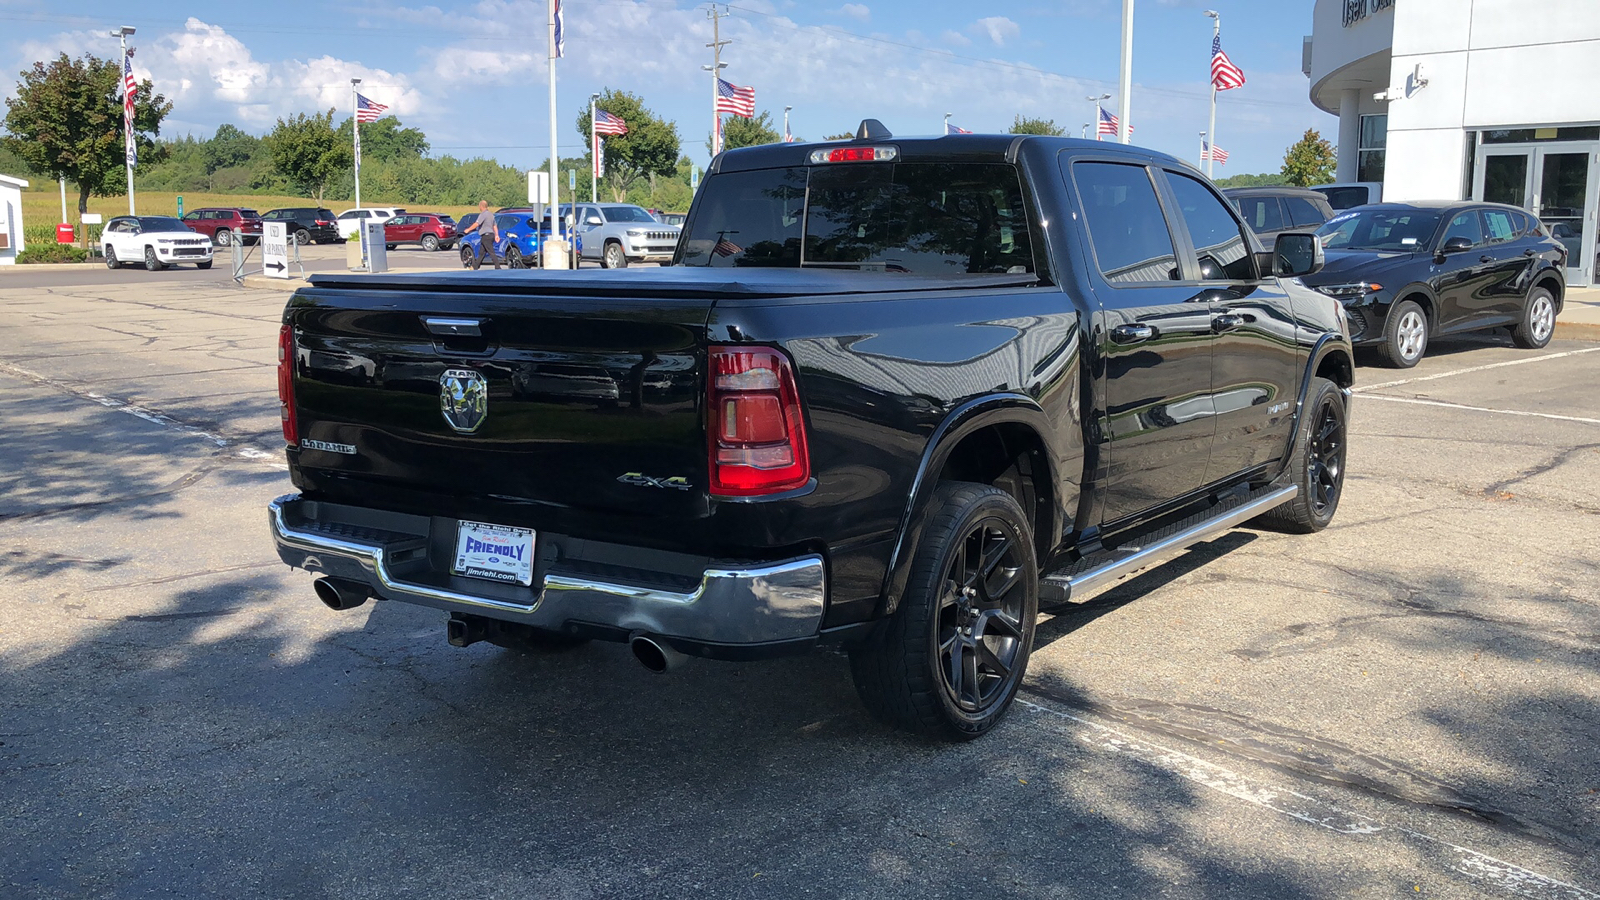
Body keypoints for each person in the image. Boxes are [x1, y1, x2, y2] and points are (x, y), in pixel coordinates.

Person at [464, 200, 500, 269]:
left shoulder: (483, 214)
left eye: (479, 206)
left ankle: (498, 267)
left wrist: (468, 229)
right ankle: (475, 266)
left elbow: (477, 223)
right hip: (490, 235)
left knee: (491, 252)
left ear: (481, 206)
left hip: (486, 236)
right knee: (481, 252)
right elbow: (494, 226)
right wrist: (496, 235)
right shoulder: (491, 214)